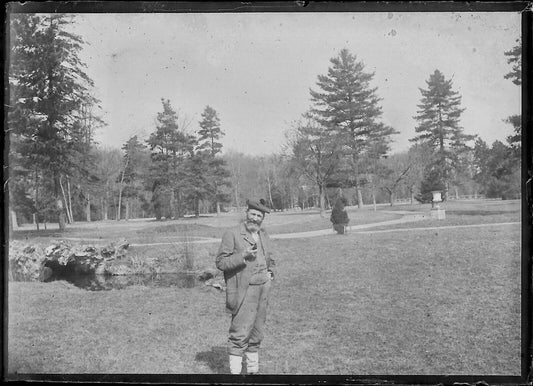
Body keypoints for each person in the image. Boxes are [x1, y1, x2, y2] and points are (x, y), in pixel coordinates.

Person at [215, 198, 275, 375]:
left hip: (263, 288)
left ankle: (252, 373)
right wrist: (242, 255)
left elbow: (270, 257)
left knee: (256, 332)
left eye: (259, 216)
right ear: (246, 213)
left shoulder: (263, 234)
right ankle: (235, 376)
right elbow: (221, 262)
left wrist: (271, 272)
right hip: (244, 290)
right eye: (253, 214)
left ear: (262, 218)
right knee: (240, 333)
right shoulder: (232, 234)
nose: (255, 218)